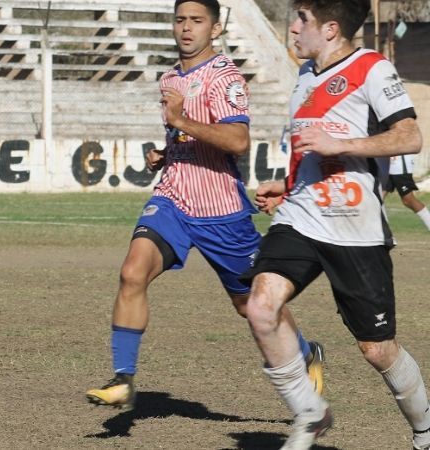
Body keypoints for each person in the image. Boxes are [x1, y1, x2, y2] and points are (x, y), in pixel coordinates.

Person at [85, 0, 324, 410]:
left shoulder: (224, 75)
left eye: (197, 21)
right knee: (131, 272)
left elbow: (237, 141)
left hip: (221, 211)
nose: (186, 28)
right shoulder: (169, 77)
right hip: (173, 198)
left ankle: (305, 354)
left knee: (250, 307)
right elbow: (189, 136)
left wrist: (179, 123)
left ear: (215, 29)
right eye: (180, 20)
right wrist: (166, 152)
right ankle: (123, 378)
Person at [241, 1, 430, 449]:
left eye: (300, 20)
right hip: (302, 217)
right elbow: (310, 150)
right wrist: (286, 187)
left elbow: (409, 136)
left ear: (329, 28)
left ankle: (425, 431)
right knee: (261, 305)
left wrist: (339, 141)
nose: (292, 29)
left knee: (377, 350)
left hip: (356, 229)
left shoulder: (372, 68)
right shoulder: (304, 78)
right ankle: (310, 410)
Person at [385, 155, 430, 231]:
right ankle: (381, 234)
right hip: (386, 162)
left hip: (399, 164)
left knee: (408, 200)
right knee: (377, 199)